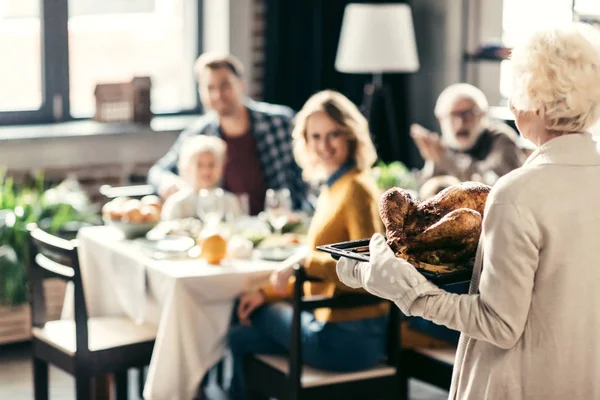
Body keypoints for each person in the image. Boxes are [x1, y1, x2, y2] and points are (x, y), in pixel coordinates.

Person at [337, 22, 600, 399]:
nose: (510, 106)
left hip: (518, 385)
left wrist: (408, 291)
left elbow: (498, 324)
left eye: (516, 92)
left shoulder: (518, 192)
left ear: (539, 102)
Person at [227, 90, 389, 399]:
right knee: (240, 338)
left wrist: (302, 262)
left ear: (351, 135)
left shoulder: (356, 189)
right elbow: (322, 269)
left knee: (245, 312)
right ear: (305, 141)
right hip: (332, 326)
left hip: (350, 338)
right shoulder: (334, 187)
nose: (324, 146)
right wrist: (266, 292)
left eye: (333, 135)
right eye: (316, 136)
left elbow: (369, 272)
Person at [148, 52, 307, 214]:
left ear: (241, 84)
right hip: (227, 227)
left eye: (225, 85)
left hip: (282, 223)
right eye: (210, 88)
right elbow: (158, 171)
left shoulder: (280, 122)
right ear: (201, 93)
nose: (218, 95)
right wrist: (170, 183)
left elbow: (311, 171)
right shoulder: (199, 133)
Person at [411, 83, 525, 184]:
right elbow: (427, 188)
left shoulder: (502, 140)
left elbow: (486, 184)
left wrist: (446, 160)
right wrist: (434, 160)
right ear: (441, 120)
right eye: (454, 115)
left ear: (483, 115)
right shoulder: (444, 145)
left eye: (469, 114)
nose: (461, 122)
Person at [160, 135, 241, 220]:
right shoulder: (177, 203)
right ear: (187, 167)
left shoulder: (229, 201)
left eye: (211, 165)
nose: (206, 171)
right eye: (199, 165)